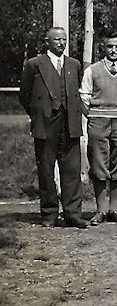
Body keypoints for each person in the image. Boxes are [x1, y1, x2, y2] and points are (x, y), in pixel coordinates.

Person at [19, 27, 89, 228]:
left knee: (72, 169)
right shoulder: (34, 64)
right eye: (57, 39)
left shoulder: (73, 64)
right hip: (46, 123)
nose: (61, 43)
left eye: (64, 39)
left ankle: (73, 214)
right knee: (47, 170)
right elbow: (24, 95)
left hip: (70, 123)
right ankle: (49, 214)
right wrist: (39, 114)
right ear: (47, 41)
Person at [80, 31, 117, 226]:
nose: (113, 50)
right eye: (109, 46)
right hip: (98, 120)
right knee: (98, 163)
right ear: (102, 48)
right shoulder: (92, 70)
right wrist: (94, 116)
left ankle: (114, 209)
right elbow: (84, 96)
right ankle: (100, 210)